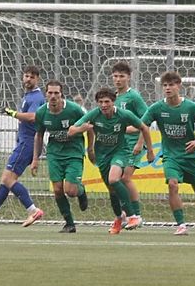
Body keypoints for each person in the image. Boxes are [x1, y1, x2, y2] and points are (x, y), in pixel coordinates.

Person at [68, 88, 155, 234]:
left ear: (113, 102)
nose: (103, 105)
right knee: (112, 189)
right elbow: (71, 130)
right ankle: (119, 218)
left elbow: (144, 127)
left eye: (107, 101)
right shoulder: (94, 114)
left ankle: (133, 216)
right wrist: (81, 129)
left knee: (114, 179)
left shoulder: (124, 114)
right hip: (102, 156)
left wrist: (150, 150)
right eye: (100, 102)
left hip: (120, 153)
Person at [141, 71, 195, 236]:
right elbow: (142, 125)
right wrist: (147, 149)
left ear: (178, 86)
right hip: (171, 156)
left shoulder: (190, 107)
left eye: (171, 85)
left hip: (191, 156)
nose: (168, 88)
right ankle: (181, 225)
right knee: (172, 184)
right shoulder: (157, 108)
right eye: (165, 85)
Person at [0, 65, 46, 227]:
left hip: (27, 143)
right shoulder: (28, 96)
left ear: (37, 79)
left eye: (32, 77)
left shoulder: (36, 97)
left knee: (7, 178)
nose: (28, 79)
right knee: (8, 180)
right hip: (24, 143)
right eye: (26, 76)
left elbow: (33, 117)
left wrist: (12, 113)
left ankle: (33, 209)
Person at [32, 80, 92, 233]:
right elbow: (38, 135)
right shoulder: (41, 112)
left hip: (74, 153)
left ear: (61, 94)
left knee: (70, 191)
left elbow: (90, 126)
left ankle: (81, 191)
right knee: (58, 190)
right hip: (54, 154)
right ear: (46, 94)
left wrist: (90, 148)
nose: (53, 96)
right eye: (50, 93)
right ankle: (69, 223)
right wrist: (35, 159)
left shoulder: (74, 109)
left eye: (56, 93)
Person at [111, 61, 147, 226]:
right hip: (120, 146)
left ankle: (137, 216)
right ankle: (126, 213)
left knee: (125, 178)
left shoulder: (134, 97)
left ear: (128, 78)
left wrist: (140, 143)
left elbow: (145, 122)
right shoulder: (114, 97)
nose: (118, 79)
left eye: (122, 76)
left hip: (134, 144)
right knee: (115, 180)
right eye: (116, 76)